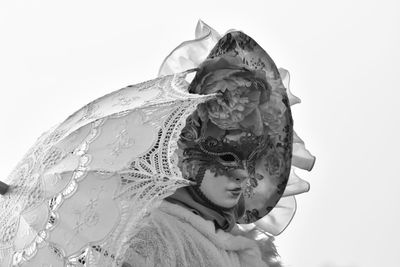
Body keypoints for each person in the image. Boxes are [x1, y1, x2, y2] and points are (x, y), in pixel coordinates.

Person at [120, 27, 304, 267]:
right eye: (228, 156)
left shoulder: (242, 252)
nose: (243, 174)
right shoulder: (150, 235)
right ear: (185, 157)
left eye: (252, 160)